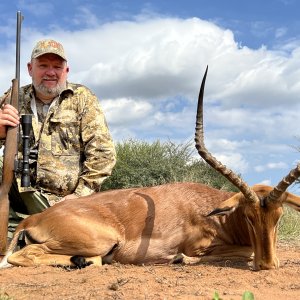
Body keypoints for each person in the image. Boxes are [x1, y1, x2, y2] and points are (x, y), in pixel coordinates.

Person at [0, 39, 116, 238]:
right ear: (30, 68)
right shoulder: (13, 98)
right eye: (43, 65)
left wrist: (79, 197)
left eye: (57, 66)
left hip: (62, 203)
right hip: (16, 195)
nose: (51, 72)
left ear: (66, 70)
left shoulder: (83, 98)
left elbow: (103, 155)